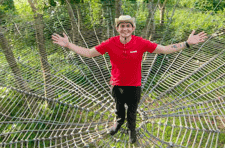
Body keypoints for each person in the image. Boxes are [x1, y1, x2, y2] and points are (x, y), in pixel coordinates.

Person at [52, 15, 207, 144]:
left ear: (133, 28)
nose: (125, 28)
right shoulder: (110, 43)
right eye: (122, 26)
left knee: (132, 110)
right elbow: (89, 53)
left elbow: (165, 49)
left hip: (134, 85)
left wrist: (187, 43)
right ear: (117, 28)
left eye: (128, 26)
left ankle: (132, 129)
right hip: (116, 84)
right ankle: (119, 123)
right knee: (119, 107)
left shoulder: (140, 42)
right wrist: (69, 45)